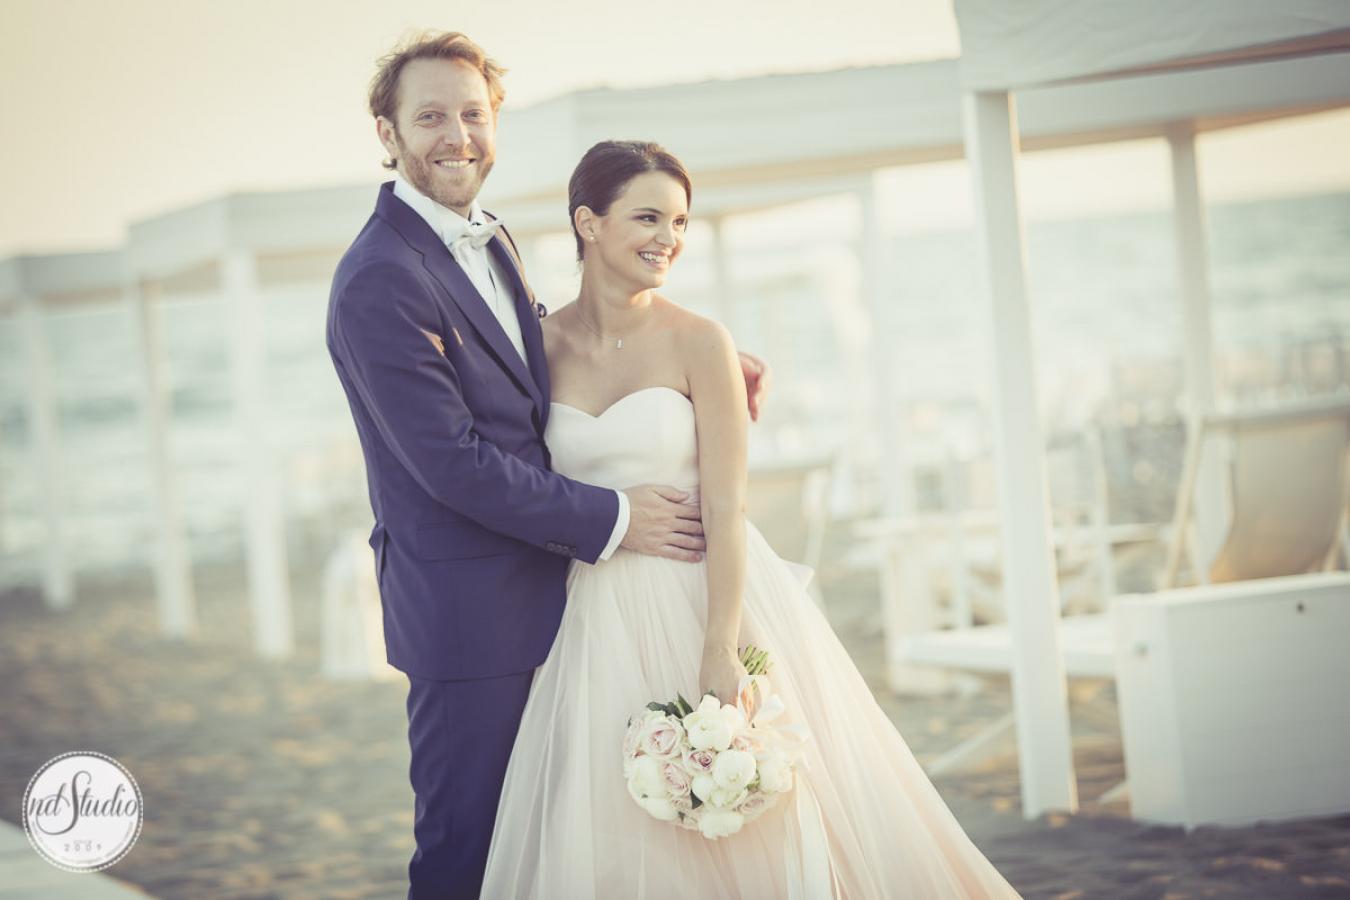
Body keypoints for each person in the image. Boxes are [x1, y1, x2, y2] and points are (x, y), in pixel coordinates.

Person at [479, 141, 1024, 899]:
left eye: (678, 221)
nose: (667, 238)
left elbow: (730, 504)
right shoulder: (534, 350)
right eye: (646, 217)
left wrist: (719, 646)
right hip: (593, 613)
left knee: (758, 821)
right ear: (588, 222)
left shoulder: (702, 340)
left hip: (704, 591)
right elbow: (511, 478)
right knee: (615, 825)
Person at [324, 32, 771, 900]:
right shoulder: (379, 277)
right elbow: (450, 462)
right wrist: (613, 515)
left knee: (551, 856)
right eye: (430, 118)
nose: (457, 136)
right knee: (467, 855)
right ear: (388, 134)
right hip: (468, 621)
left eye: (473, 115)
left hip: (556, 607)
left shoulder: (485, 240)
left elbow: (540, 349)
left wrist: (700, 359)